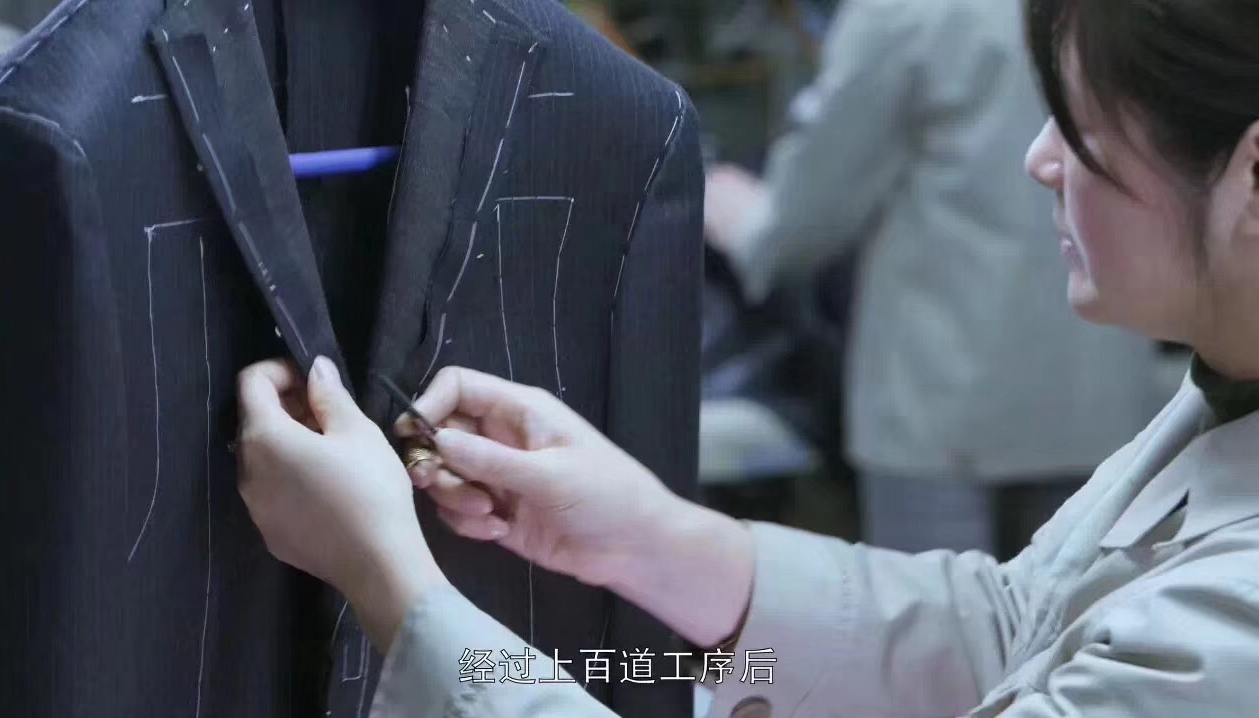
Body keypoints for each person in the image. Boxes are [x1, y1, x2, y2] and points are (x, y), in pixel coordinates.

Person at [235, 0, 1259, 715]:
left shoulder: (1230, 632)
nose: (1039, 159)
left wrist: (393, 586)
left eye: (1082, 129)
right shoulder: (1221, 405)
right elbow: (1014, 629)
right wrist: (649, 535)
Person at [704, 0, 1167, 557]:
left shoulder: (902, 13)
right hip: (1100, 399)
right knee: (1083, 604)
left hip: (938, 413)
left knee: (929, 607)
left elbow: (800, 223)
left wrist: (729, 207)